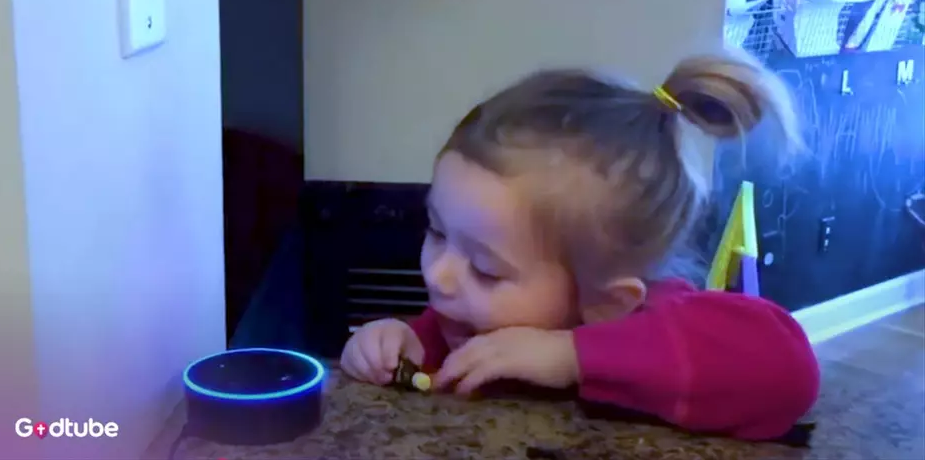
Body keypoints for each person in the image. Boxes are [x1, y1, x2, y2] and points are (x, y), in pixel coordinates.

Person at [340, 48, 820, 443]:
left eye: (485, 269)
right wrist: (394, 344)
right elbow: (432, 356)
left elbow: (789, 370)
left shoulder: (661, 325)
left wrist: (569, 355)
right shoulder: (460, 324)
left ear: (608, 302)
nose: (437, 274)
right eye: (437, 232)